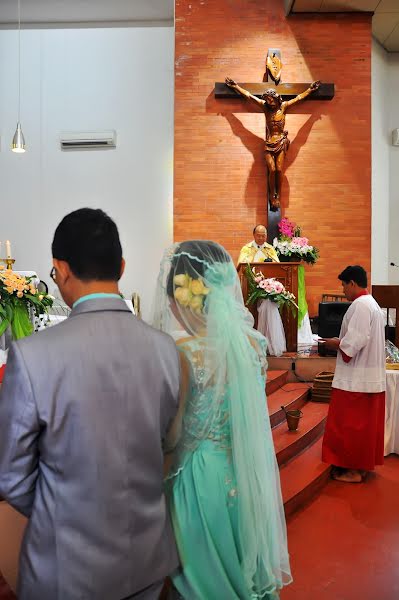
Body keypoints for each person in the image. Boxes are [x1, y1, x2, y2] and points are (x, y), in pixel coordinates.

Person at [0, 208, 180, 600]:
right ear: (121, 265)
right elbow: (163, 442)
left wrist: (65, 513)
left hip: (67, 569)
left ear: (60, 269)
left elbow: (11, 478)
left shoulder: (32, 356)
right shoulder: (165, 349)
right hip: (146, 559)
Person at [152, 240, 292, 599]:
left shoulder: (184, 354)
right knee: (236, 561)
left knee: (201, 578)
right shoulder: (252, 345)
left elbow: (174, 433)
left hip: (198, 477)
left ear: (184, 296)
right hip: (241, 471)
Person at [321, 265, 386, 483]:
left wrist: (335, 344)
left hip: (356, 379)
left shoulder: (361, 305)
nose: (342, 290)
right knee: (363, 428)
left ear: (352, 283)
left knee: (350, 426)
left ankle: (353, 471)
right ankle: (361, 467)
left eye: (343, 284)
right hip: (368, 376)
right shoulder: (372, 304)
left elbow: (355, 341)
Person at [225, 77, 320, 209]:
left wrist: (309, 90)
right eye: (267, 100)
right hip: (269, 143)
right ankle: (271, 195)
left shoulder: (284, 106)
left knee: (279, 170)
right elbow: (249, 97)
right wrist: (236, 87)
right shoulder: (265, 108)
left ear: (276, 98)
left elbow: (298, 98)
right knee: (272, 169)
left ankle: (278, 196)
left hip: (280, 141)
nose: (269, 102)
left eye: (271, 99)